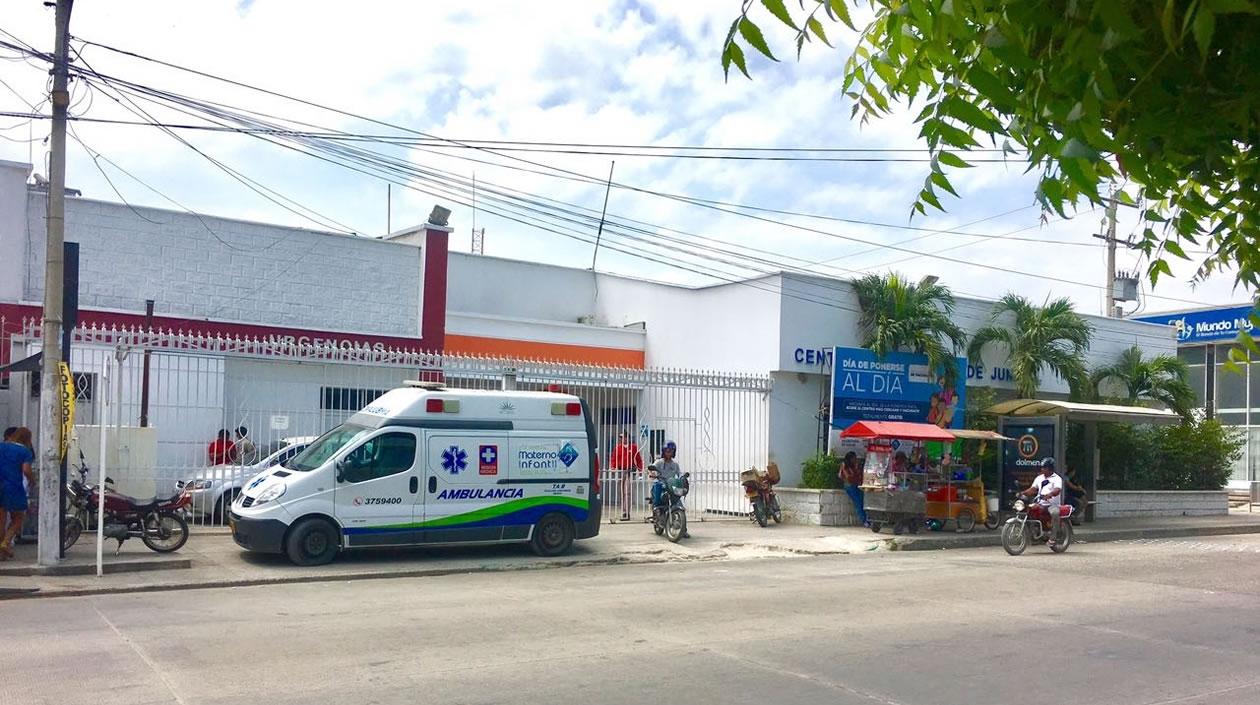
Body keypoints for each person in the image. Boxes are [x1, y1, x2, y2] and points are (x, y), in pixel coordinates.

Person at [0, 427, 35, 560]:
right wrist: (32, 480)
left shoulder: (2, 446)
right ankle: (5, 543)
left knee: (1, 520)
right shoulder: (24, 451)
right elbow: (26, 470)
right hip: (13, 486)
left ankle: (2, 553)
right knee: (18, 517)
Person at [648, 440, 689, 538]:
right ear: (663, 451)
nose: (669, 453)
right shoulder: (659, 462)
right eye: (667, 450)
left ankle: (683, 529)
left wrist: (682, 479)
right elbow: (650, 469)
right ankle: (657, 508)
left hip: (671, 486)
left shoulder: (675, 465)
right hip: (661, 484)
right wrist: (652, 474)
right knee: (658, 486)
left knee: (679, 504)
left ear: (673, 452)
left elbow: (678, 475)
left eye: (671, 451)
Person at [1021, 457, 1064, 547]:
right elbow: (1033, 489)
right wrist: (1023, 493)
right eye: (1042, 467)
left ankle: (1053, 537)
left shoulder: (1057, 478)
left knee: (1055, 513)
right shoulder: (1039, 478)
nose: (1042, 469)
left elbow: (1057, 490)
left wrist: (1050, 494)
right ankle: (1034, 533)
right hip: (1040, 503)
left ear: (1050, 468)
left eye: (1044, 467)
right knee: (1029, 510)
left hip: (1052, 504)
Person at [609, 430, 643, 522]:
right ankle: (623, 510)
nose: (622, 439)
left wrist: (640, 471)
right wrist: (612, 467)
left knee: (627, 492)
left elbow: (638, 459)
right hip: (621, 471)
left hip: (629, 471)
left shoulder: (633, 447)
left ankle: (627, 512)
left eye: (624, 437)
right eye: (621, 437)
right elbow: (613, 458)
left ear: (628, 438)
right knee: (621, 492)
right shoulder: (618, 448)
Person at [840, 451, 868, 527]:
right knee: (858, 502)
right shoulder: (844, 465)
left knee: (863, 500)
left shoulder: (854, 466)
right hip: (849, 486)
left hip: (856, 485)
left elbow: (858, 476)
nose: (855, 459)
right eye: (853, 458)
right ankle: (864, 520)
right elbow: (848, 477)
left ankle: (867, 519)